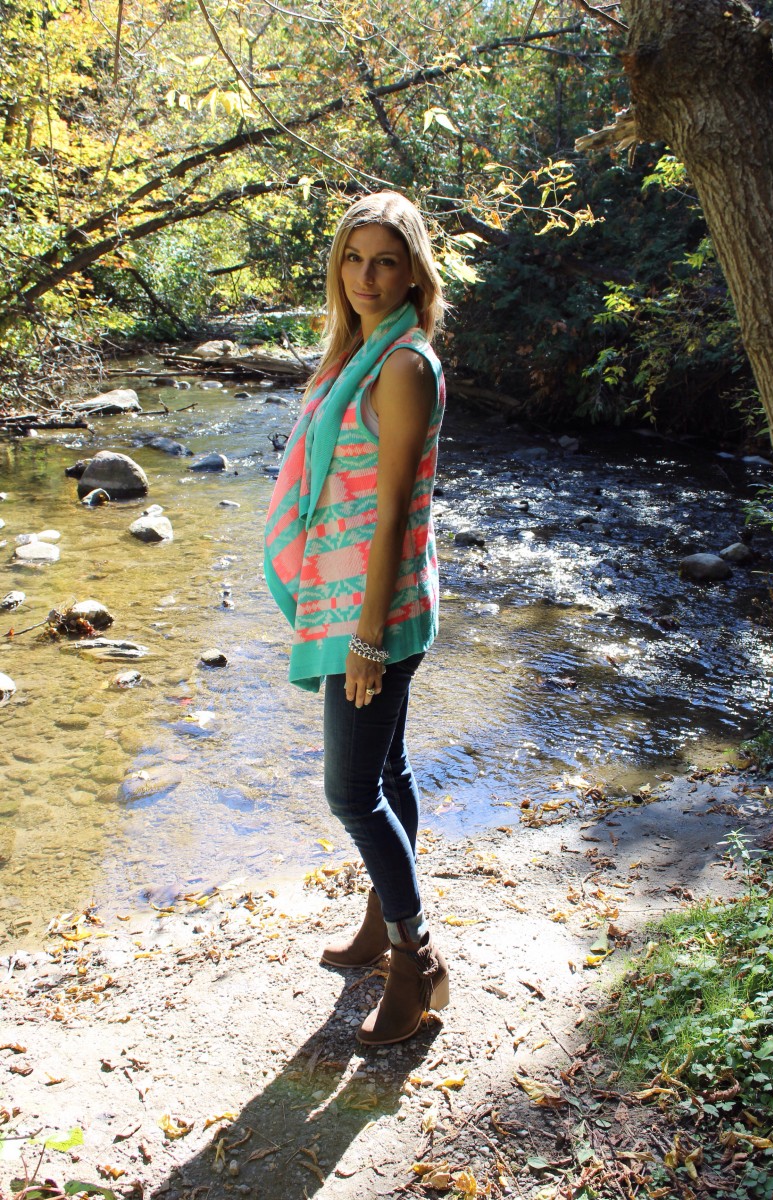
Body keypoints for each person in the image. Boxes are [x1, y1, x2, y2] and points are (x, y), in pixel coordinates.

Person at [263, 191, 449, 1045]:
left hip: (376, 612)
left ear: (413, 273)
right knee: (389, 769)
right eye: (352, 258)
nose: (366, 276)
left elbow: (393, 510)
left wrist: (367, 637)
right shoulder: (356, 356)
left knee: (350, 792)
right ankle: (383, 920)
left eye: (384, 261)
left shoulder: (403, 366)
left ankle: (418, 958)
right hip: (361, 603)